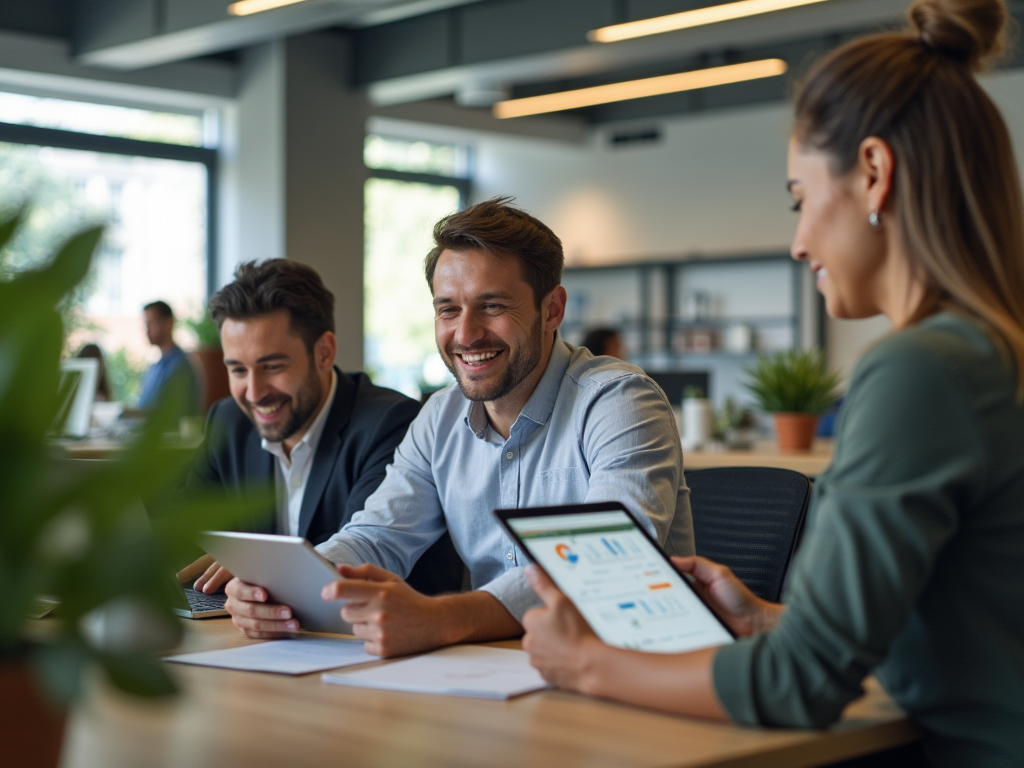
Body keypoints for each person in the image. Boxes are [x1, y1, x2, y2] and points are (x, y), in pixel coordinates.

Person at [518, 1, 1024, 765]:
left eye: (800, 198)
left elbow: (802, 687)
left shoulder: (920, 369)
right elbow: (966, 624)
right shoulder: (990, 354)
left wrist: (584, 664)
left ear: (875, 175)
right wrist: (765, 619)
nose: (797, 242)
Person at [223, 198, 695, 657]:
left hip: (640, 672)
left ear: (551, 310)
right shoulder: (439, 417)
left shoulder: (619, 401)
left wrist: (442, 618)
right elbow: (377, 535)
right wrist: (285, 587)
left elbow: (603, 562)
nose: (465, 335)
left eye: (492, 306)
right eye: (448, 309)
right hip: (504, 671)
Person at [182, 260, 464, 597]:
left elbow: (361, 556)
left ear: (324, 353)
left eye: (272, 366)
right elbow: (186, 536)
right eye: (238, 370)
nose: (255, 393)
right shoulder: (229, 422)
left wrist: (258, 574)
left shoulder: (389, 423)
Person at [137, 300, 200, 415]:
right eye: (146, 324)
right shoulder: (155, 366)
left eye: (151, 323)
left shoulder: (181, 366)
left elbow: (169, 414)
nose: (147, 330)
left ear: (169, 323)